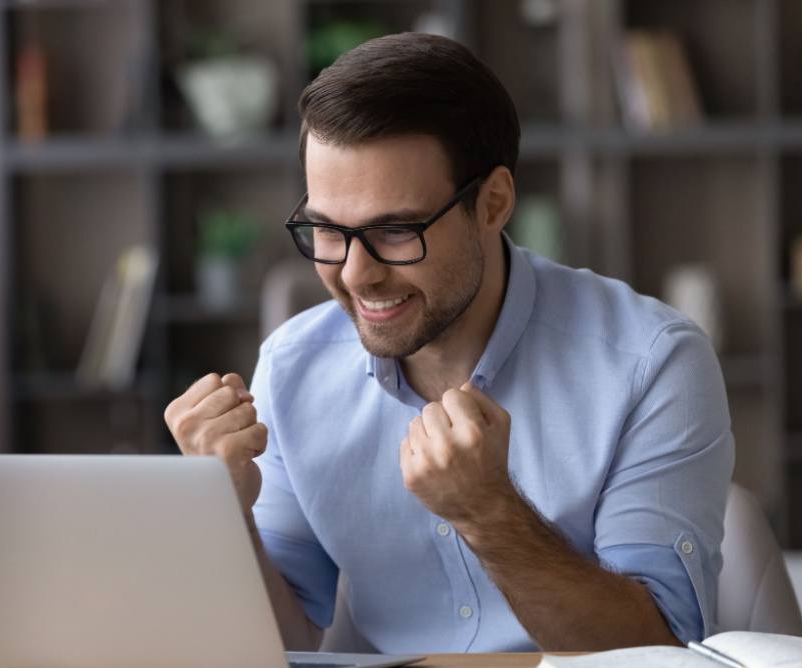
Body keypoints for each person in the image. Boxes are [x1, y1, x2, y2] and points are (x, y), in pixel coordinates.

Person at [164, 32, 733, 654]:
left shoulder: (653, 363)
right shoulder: (291, 369)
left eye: (396, 230)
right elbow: (285, 641)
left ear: (492, 203)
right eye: (328, 229)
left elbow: (657, 656)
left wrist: (489, 513)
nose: (355, 274)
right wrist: (226, 515)